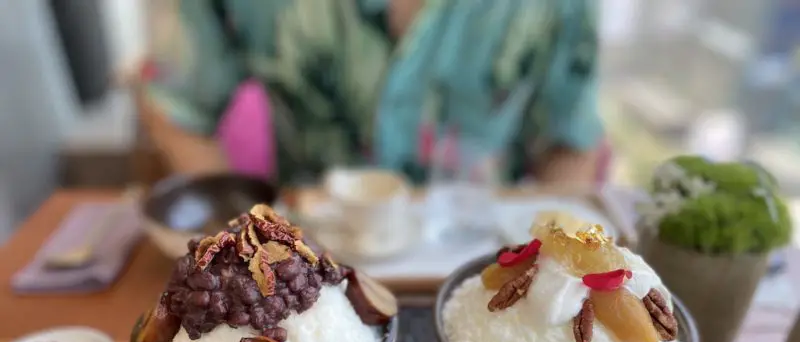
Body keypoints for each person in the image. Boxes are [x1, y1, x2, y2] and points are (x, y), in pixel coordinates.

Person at [138, 0, 603, 187]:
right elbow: (175, 110)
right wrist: (240, 247)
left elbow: (571, 142)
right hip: (306, 272)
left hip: (484, 268)